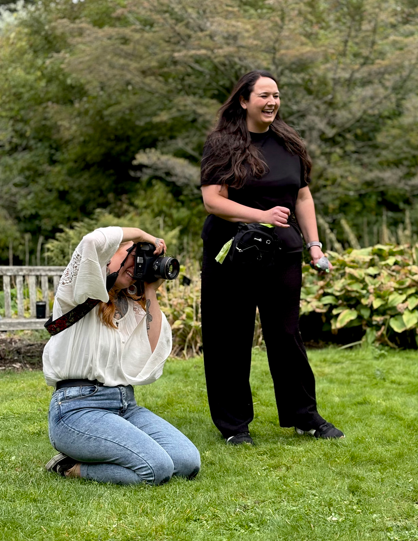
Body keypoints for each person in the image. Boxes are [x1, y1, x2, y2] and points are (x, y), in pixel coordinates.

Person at [200, 70, 344, 445]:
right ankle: (234, 426)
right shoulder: (223, 144)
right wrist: (260, 215)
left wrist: (314, 245)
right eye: (264, 95)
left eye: (276, 95)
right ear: (245, 101)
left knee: (286, 334)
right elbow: (212, 200)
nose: (272, 102)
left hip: (282, 253)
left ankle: (304, 416)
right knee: (229, 337)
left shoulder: (289, 143)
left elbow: (302, 197)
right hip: (231, 255)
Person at [43, 226, 200, 484]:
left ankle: (112, 452)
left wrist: (150, 291)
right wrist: (140, 235)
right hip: (77, 410)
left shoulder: (126, 306)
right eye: (131, 254)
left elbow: (152, 349)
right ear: (107, 257)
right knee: (157, 468)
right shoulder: (76, 292)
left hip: (125, 406)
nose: (136, 263)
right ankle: (70, 466)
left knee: (187, 461)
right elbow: (92, 240)